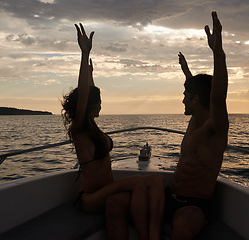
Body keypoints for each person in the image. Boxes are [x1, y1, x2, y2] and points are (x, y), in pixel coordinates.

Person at [61, 23, 164, 240]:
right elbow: (85, 96)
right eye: (98, 103)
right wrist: (84, 53)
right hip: (90, 197)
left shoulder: (91, 125)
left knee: (122, 202)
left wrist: (90, 75)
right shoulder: (79, 129)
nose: (101, 106)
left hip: (107, 193)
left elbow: (88, 93)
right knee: (146, 182)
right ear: (89, 105)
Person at [165, 11, 229, 239]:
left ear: (195, 99)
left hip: (194, 204)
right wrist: (186, 71)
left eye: (186, 95)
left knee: (181, 230)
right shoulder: (194, 120)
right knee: (127, 198)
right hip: (170, 195)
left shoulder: (214, 128)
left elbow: (217, 95)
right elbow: (199, 91)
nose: (182, 99)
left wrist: (217, 52)